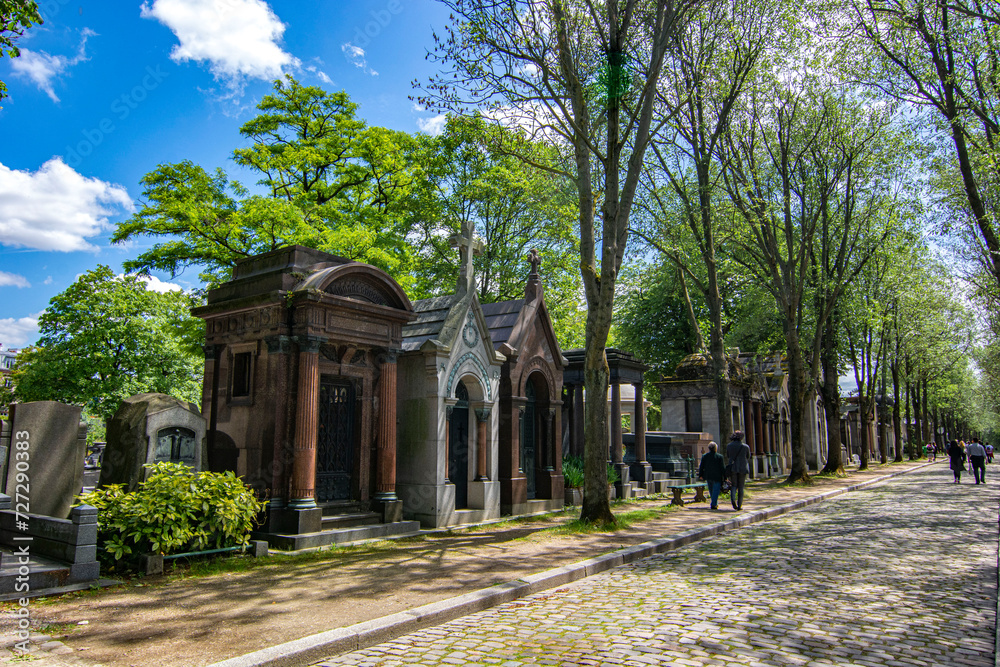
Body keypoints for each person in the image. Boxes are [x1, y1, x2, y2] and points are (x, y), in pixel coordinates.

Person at [726, 431, 751, 510]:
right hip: (742, 468)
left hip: (733, 467)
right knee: (741, 487)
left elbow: (728, 455)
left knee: (733, 485)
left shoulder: (729, 446)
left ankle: (733, 500)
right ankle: (739, 505)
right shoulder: (745, 447)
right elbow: (748, 456)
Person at [698, 441, 726, 510]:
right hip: (717, 476)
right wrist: (725, 477)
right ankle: (714, 503)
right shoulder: (719, 457)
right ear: (716, 448)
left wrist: (700, 475)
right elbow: (722, 468)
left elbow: (701, 466)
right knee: (716, 490)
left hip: (708, 475)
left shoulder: (705, 456)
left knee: (711, 490)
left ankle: (714, 502)